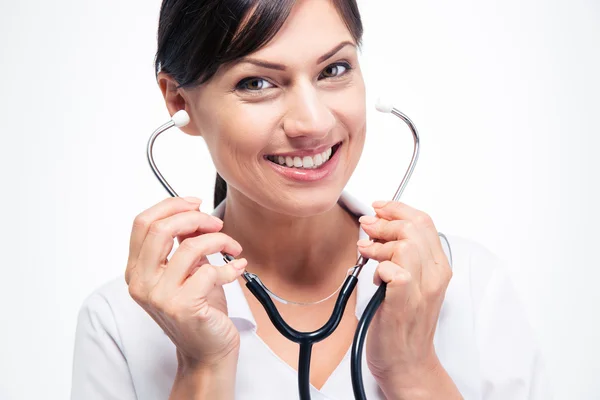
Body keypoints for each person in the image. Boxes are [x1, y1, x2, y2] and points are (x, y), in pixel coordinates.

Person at [71, 0, 550, 399]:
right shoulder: (120, 325)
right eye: (256, 83)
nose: (312, 123)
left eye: (334, 69)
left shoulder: (470, 286)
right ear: (179, 102)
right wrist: (203, 370)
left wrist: (414, 372)